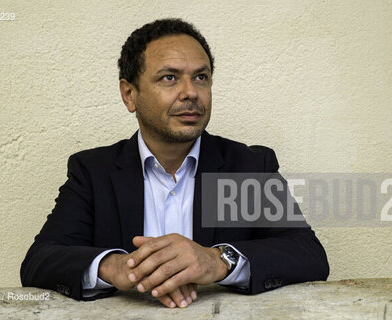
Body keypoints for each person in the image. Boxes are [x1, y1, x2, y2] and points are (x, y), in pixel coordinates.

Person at [20, 18, 329, 308]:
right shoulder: (93, 172)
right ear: (129, 94)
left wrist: (217, 261)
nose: (191, 92)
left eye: (201, 77)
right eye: (169, 78)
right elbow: (40, 260)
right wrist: (114, 266)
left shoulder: (247, 166)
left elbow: (308, 254)